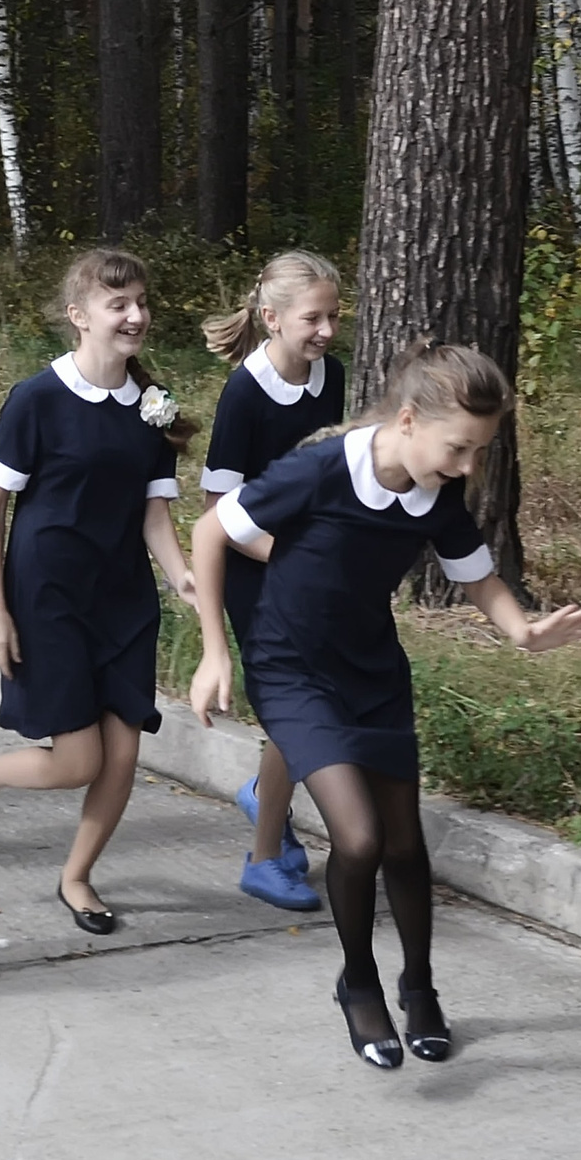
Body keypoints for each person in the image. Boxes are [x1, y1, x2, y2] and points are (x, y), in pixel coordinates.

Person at [187, 343, 581, 1069]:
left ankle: (422, 984)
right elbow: (212, 530)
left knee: (406, 844)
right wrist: (216, 653)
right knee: (358, 840)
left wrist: (525, 633)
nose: (468, 468)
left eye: (479, 452)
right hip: (292, 671)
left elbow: (478, 576)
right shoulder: (322, 470)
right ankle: (359, 982)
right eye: (459, 448)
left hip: (374, 674)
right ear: (408, 420)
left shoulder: (435, 493)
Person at [0, 248, 196, 935]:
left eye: (141, 301)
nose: (136, 315)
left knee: (122, 755)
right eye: (119, 304)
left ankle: (78, 876)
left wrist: (183, 578)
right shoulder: (38, 399)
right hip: (47, 594)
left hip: (123, 599)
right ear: (79, 316)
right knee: (78, 759)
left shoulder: (153, 406)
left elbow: (154, 513)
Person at [196, 250, 348, 912]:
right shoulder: (244, 394)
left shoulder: (330, 377)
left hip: (312, 568)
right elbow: (217, 517)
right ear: (271, 318)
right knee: (297, 709)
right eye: (313, 318)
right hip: (254, 571)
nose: (325, 331)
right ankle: (263, 858)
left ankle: (266, 793)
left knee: (319, 698)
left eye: (333, 317)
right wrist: (290, 555)